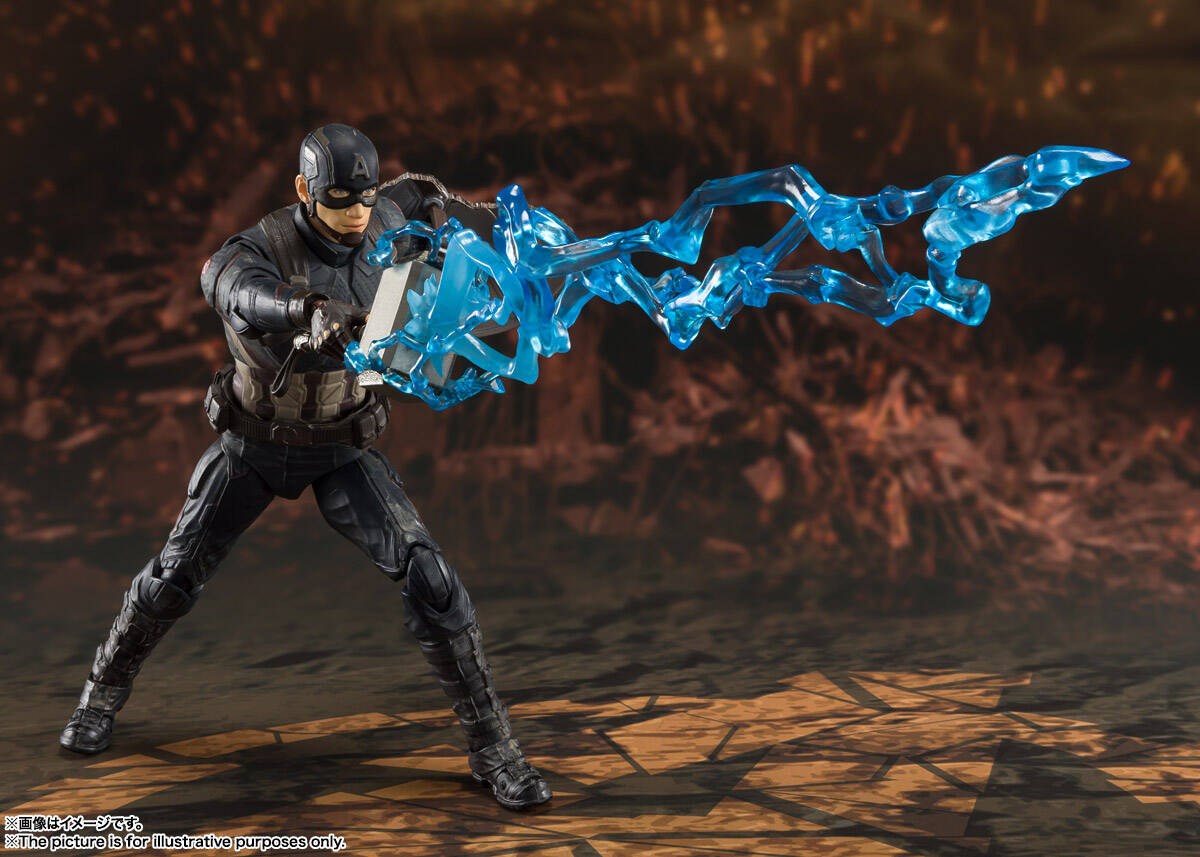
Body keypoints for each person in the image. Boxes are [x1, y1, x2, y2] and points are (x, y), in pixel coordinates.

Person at [58, 123, 552, 811]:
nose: (356, 213)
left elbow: (416, 197)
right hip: (254, 446)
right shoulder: (257, 249)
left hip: (342, 449)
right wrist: (305, 308)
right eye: (339, 199)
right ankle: (100, 693)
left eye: (364, 198)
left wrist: (446, 219)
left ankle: (494, 747)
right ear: (303, 190)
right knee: (173, 576)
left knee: (432, 579)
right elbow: (230, 287)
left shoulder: (382, 218)